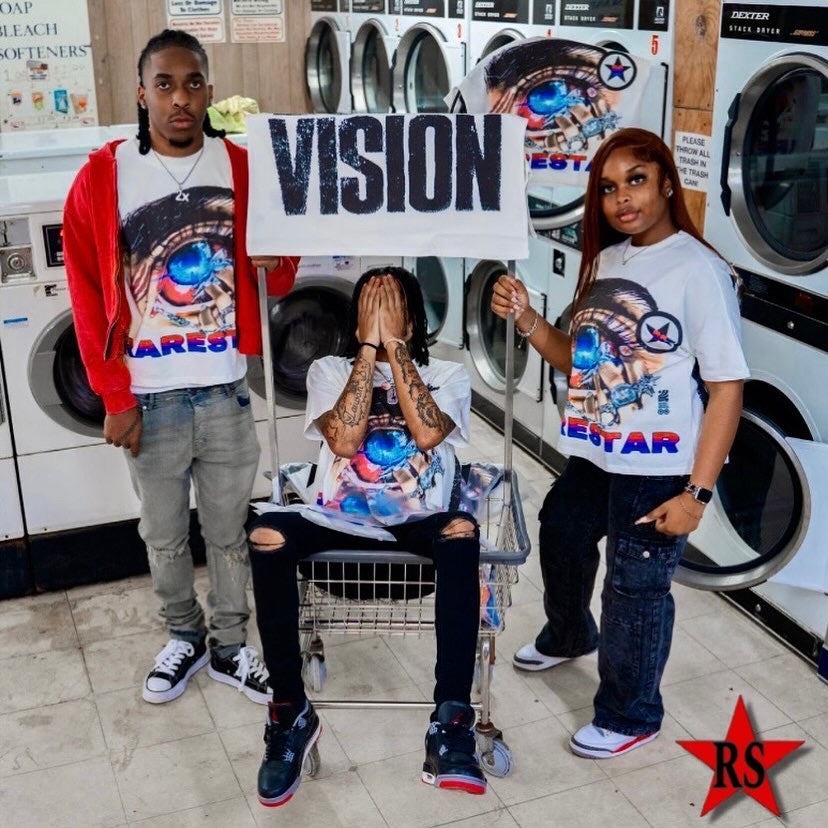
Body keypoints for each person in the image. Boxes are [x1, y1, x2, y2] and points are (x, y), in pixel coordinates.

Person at [492, 128, 749, 759]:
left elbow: (727, 389)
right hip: (598, 452)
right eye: (608, 188)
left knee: (633, 588)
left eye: (636, 180)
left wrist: (695, 496)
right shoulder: (609, 261)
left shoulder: (699, 270)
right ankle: (570, 634)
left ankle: (631, 715)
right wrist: (525, 316)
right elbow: (576, 360)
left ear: (667, 183)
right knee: (562, 529)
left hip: (658, 465)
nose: (622, 199)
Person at [63, 29, 298, 706]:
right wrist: (114, 394)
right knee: (163, 536)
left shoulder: (244, 167)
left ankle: (229, 646)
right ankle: (183, 637)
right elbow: (85, 293)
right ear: (142, 94)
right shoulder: (104, 177)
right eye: (164, 84)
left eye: (193, 83)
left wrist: (274, 260)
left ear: (209, 91)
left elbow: (280, 277)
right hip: (148, 397)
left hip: (224, 390)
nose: (180, 99)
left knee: (228, 534)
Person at [247, 267, 487, 807]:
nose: (378, 316)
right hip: (335, 522)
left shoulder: (448, 374)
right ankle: (289, 713)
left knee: (461, 529)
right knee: (265, 533)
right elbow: (344, 440)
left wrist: (396, 348)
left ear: (412, 318)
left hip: (418, 521)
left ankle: (451, 724)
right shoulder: (328, 370)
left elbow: (428, 432)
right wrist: (366, 350)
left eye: (390, 307)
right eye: (368, 308)